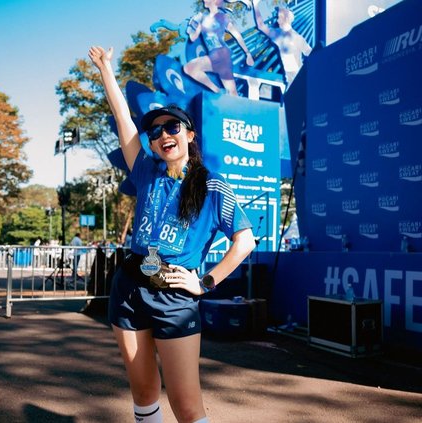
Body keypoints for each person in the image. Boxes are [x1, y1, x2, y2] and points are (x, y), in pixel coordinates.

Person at [88, 45, 255, 423]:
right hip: (129, 287)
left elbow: (244, 241)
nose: (163, 135)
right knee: (144, 393)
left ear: (189, 134)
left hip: (175, 298)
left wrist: (206, 282)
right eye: (156, 132)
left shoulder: (212, 186)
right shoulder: (146, 171)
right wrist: (105, 70)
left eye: (172, 127)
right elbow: (123, 121)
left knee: (186, 405)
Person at [183, 0, 255, 96]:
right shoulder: (202, 18)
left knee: (233, 94)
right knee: (189, 68)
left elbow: (237, 35)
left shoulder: (222, 17)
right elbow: (192, 38)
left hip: (222, 55)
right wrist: (195, 27)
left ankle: (222, 94)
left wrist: (247, 53)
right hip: (212, 56)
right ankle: (217, 91)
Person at [251, 0, 312, 86]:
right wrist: (255, 5)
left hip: (300, 84)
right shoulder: (278, 34)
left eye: (279, 17)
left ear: (286, 18)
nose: (278, 20)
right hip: (292, 84)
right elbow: (261, 26)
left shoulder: (296, 38)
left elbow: (312, 54)